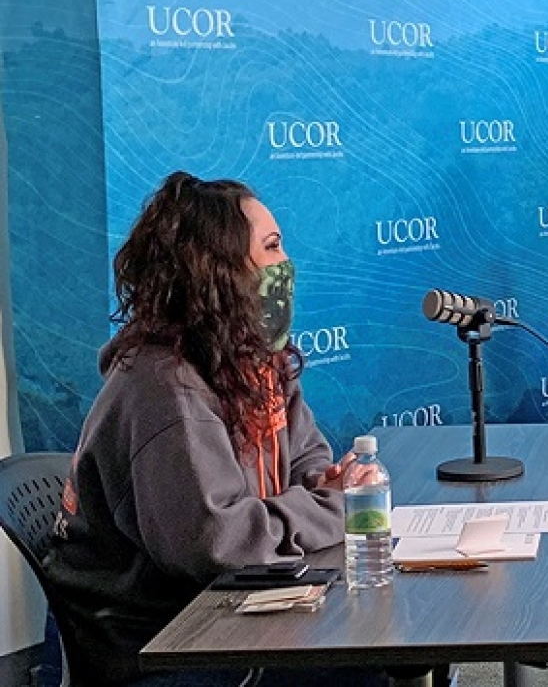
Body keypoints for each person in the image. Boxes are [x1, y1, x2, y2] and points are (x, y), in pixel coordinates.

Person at [44, 172, 383, 686]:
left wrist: (325, 487)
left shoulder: (251, 361)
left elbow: (309, 458)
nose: (285, 264)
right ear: (219, 272)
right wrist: (338, 505)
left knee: (390, 646)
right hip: (162, 647)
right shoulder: (163, 387)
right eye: (271, 247)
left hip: (230, 612)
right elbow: (218, 541)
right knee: (378, 659)